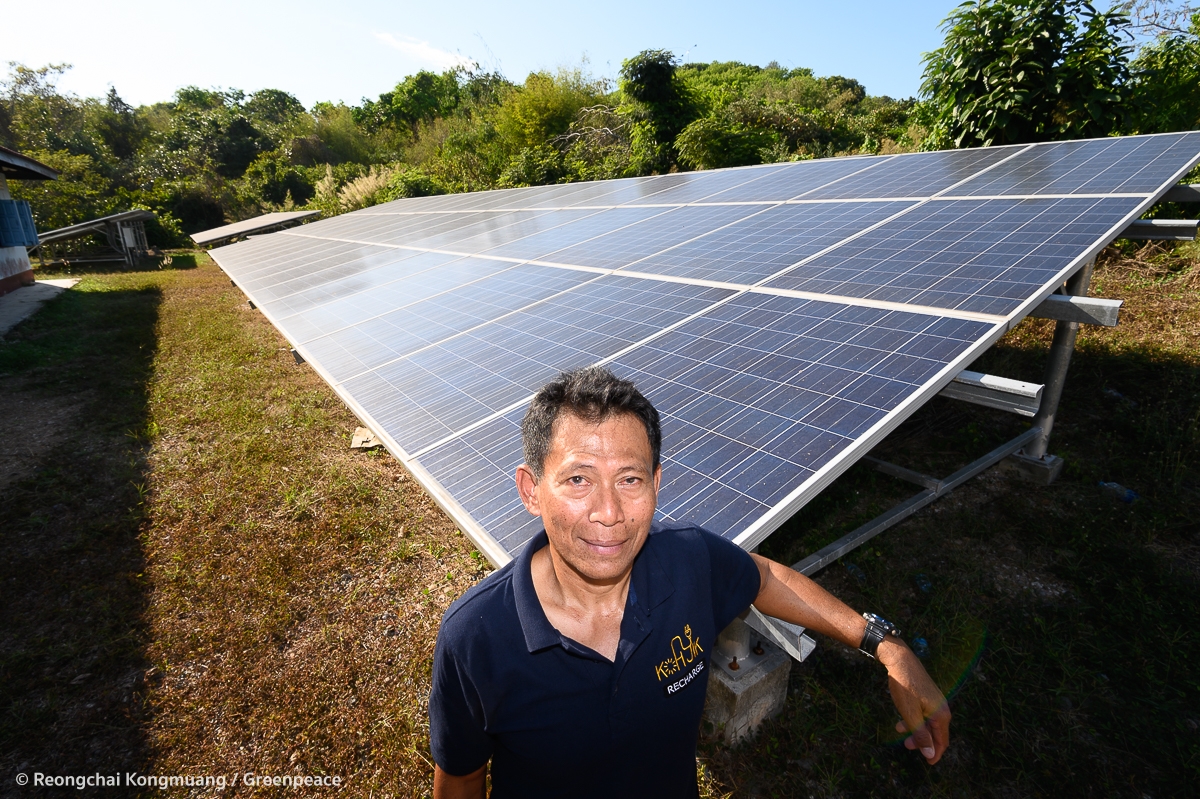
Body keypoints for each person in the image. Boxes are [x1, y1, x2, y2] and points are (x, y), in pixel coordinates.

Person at [429, 367, 950, 798]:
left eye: (630, 479)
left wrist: (885, 645)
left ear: (656, 484)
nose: (608, 512)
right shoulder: (475, 638)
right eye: (578, 479)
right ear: (531, 490)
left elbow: (763, 575)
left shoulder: (689, 562)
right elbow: (462, 781)